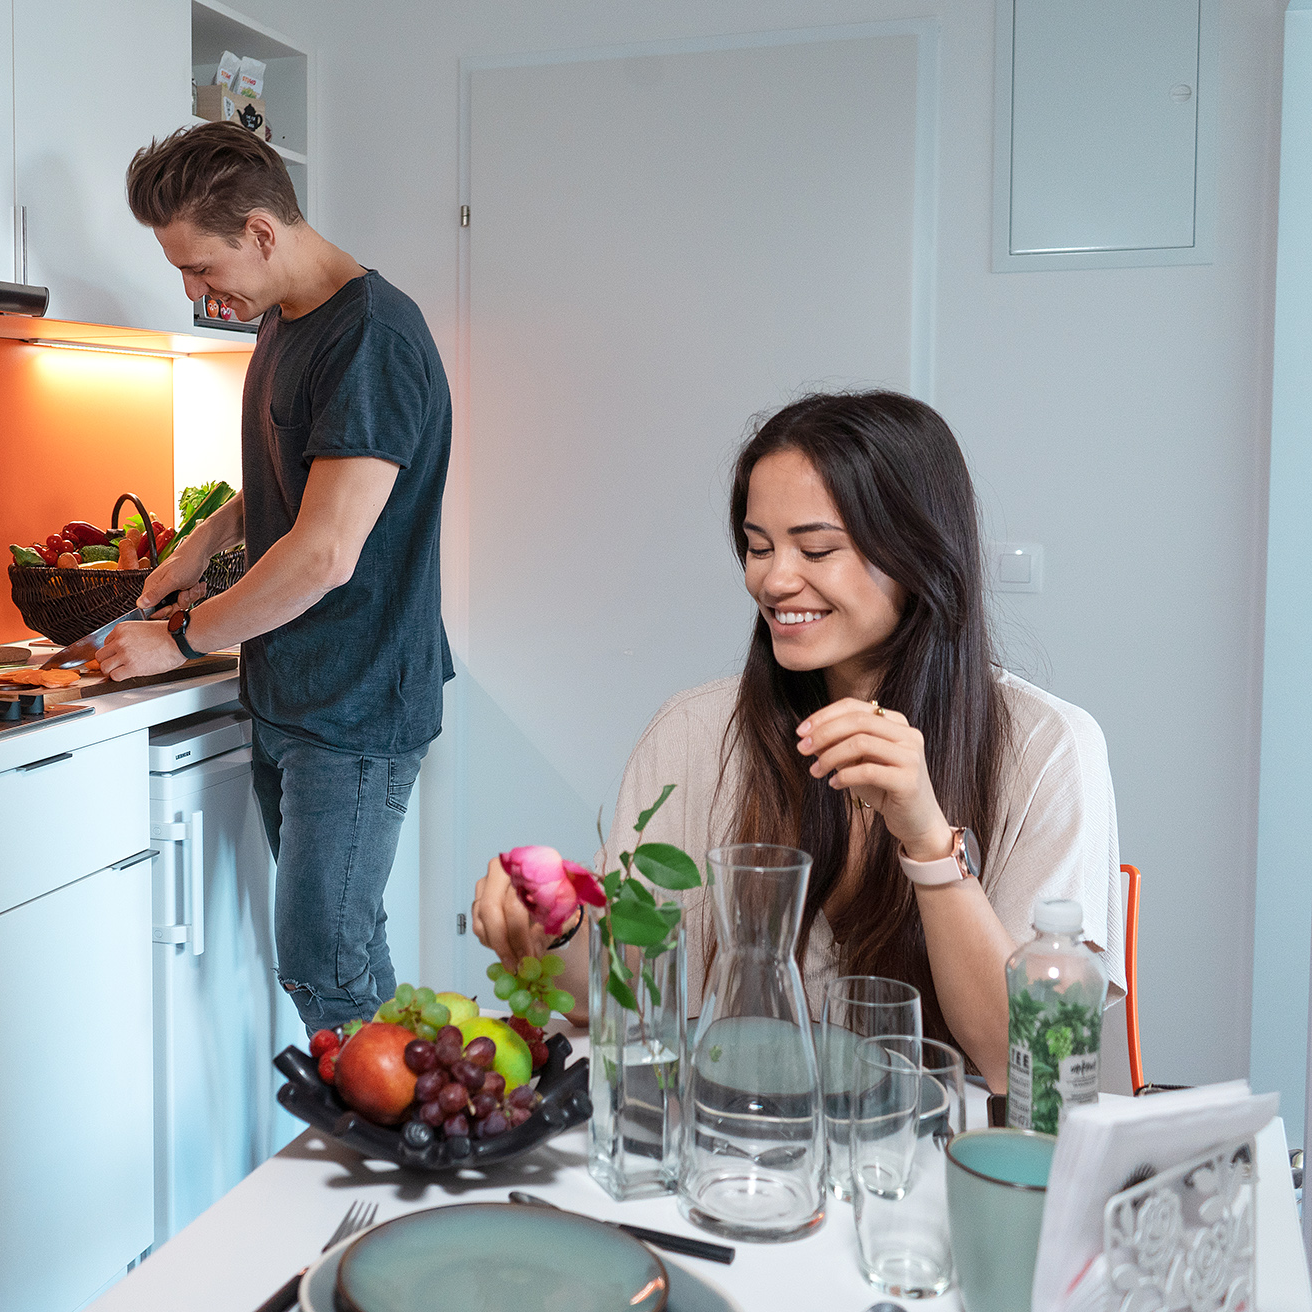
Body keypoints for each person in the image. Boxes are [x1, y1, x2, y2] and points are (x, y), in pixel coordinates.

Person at [471, 391, 1123, 1089]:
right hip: (734, 1136)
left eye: (816, 549)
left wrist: (929, 843)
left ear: (918, 554)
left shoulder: (1046, 747)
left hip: (934, 1146)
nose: (774, 580)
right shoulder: (691, 734)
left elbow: (1025, 1068)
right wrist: (555, 927)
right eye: (758, 547)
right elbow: (618, 999)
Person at [100, 123, 454, 1032]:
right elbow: (302, 475)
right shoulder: (285, 321)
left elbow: (325, 551)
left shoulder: (370, 339)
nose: (192, 291)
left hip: (355, 702)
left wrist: (179, 640)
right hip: (293, 688)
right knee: (344, 952)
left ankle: (393, 1123)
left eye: (199, 268)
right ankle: (405, 1112)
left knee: (324, 968)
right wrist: (206, 536)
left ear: (260, 231)